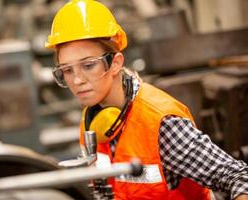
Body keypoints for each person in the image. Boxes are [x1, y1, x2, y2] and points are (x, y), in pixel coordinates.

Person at [45, 0, 248, 199]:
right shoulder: (90, 121)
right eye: (67, 70)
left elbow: (238, 177)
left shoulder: (160, 124)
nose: (77, 80)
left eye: (88, 65)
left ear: (115, 64)